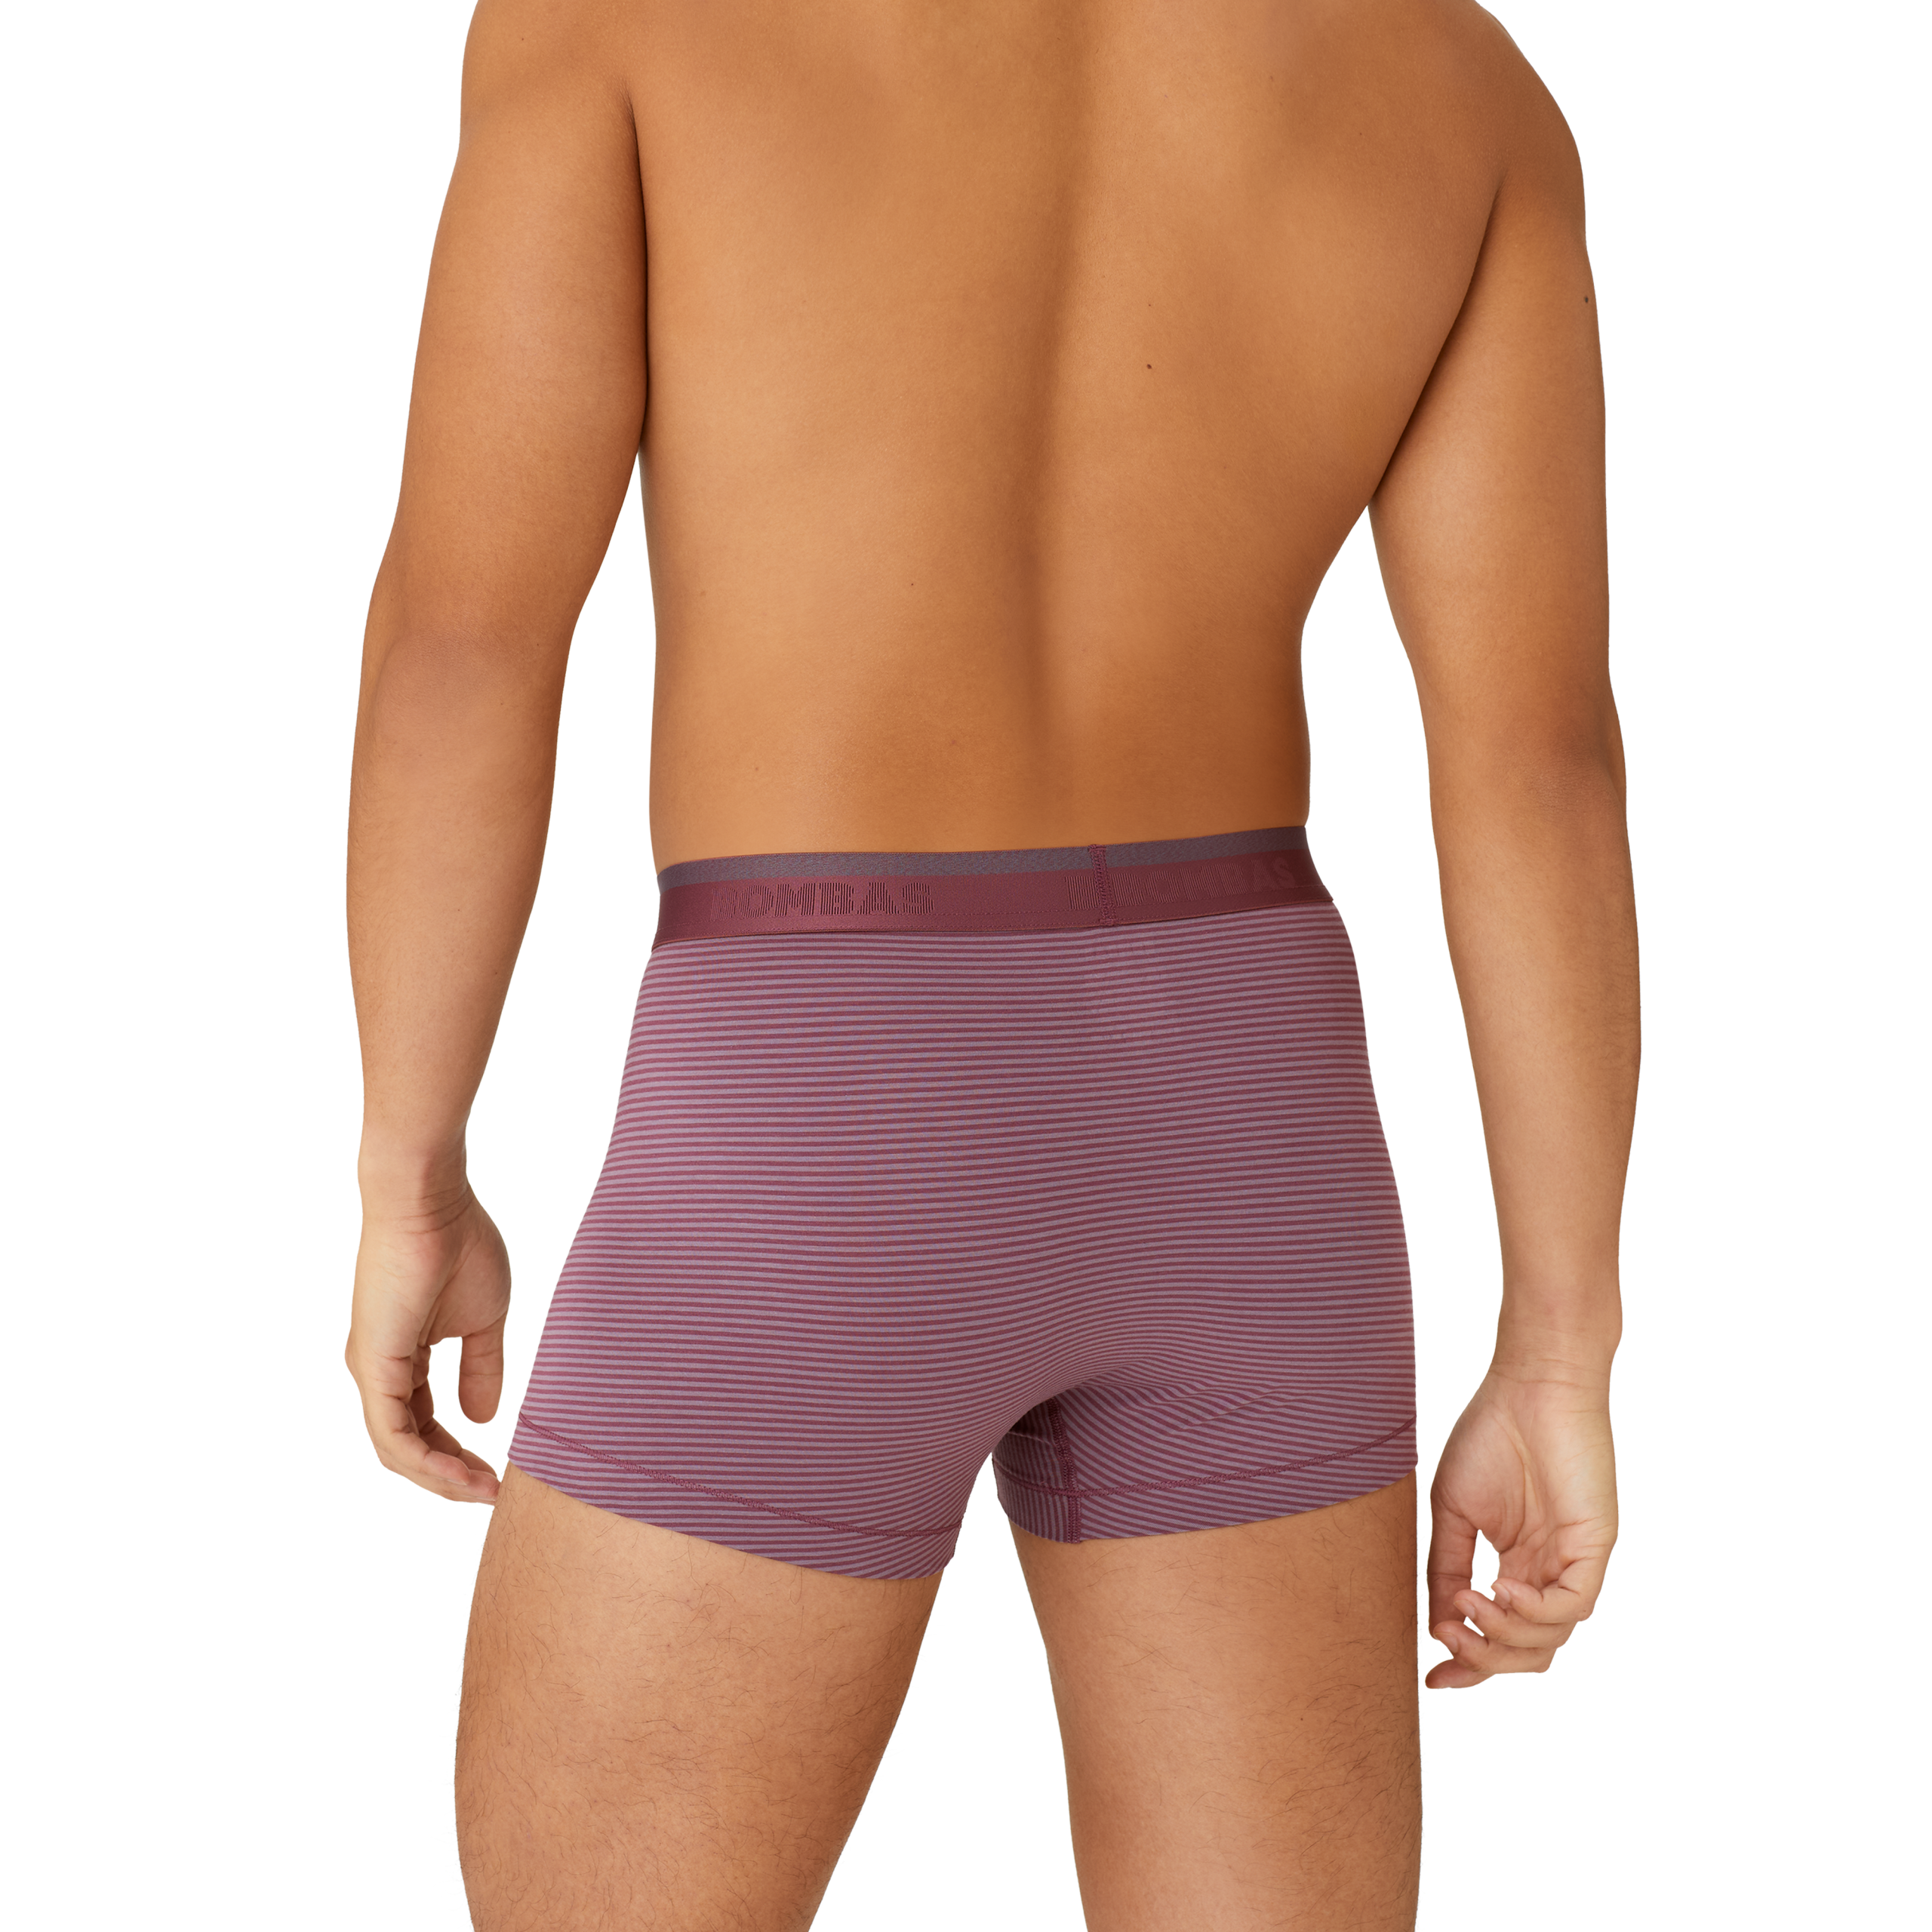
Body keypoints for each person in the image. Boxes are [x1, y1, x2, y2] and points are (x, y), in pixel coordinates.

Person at [343, 0, 1636, 1922]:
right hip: (1249, 1127)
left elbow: (465, 641)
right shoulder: (1454, 74)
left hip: (814, 1108)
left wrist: (411, 1166)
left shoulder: (622, 20)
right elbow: (1536, 760)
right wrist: (1555, 1339)